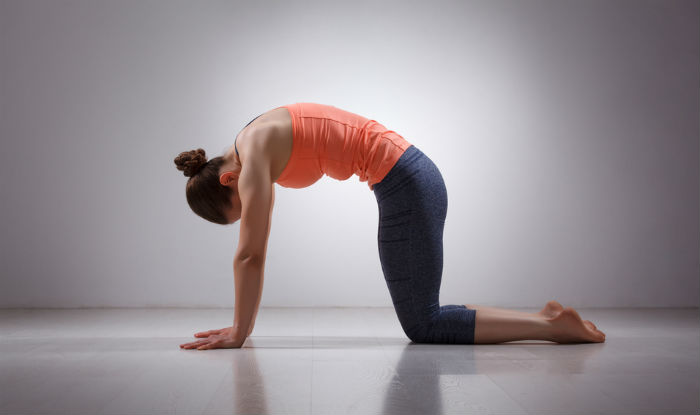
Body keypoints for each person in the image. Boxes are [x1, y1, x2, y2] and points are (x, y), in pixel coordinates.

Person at [175, 102, 606, 350]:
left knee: (425, 324)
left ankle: (552, 327)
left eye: (242, 209)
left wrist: (239, 332)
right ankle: (547, 319)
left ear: (229, 180)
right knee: (426, 316)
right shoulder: (252, 135)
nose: (251, 209)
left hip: (407, 185)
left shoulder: (251, 157)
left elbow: (250, 254)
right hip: (411, 179)